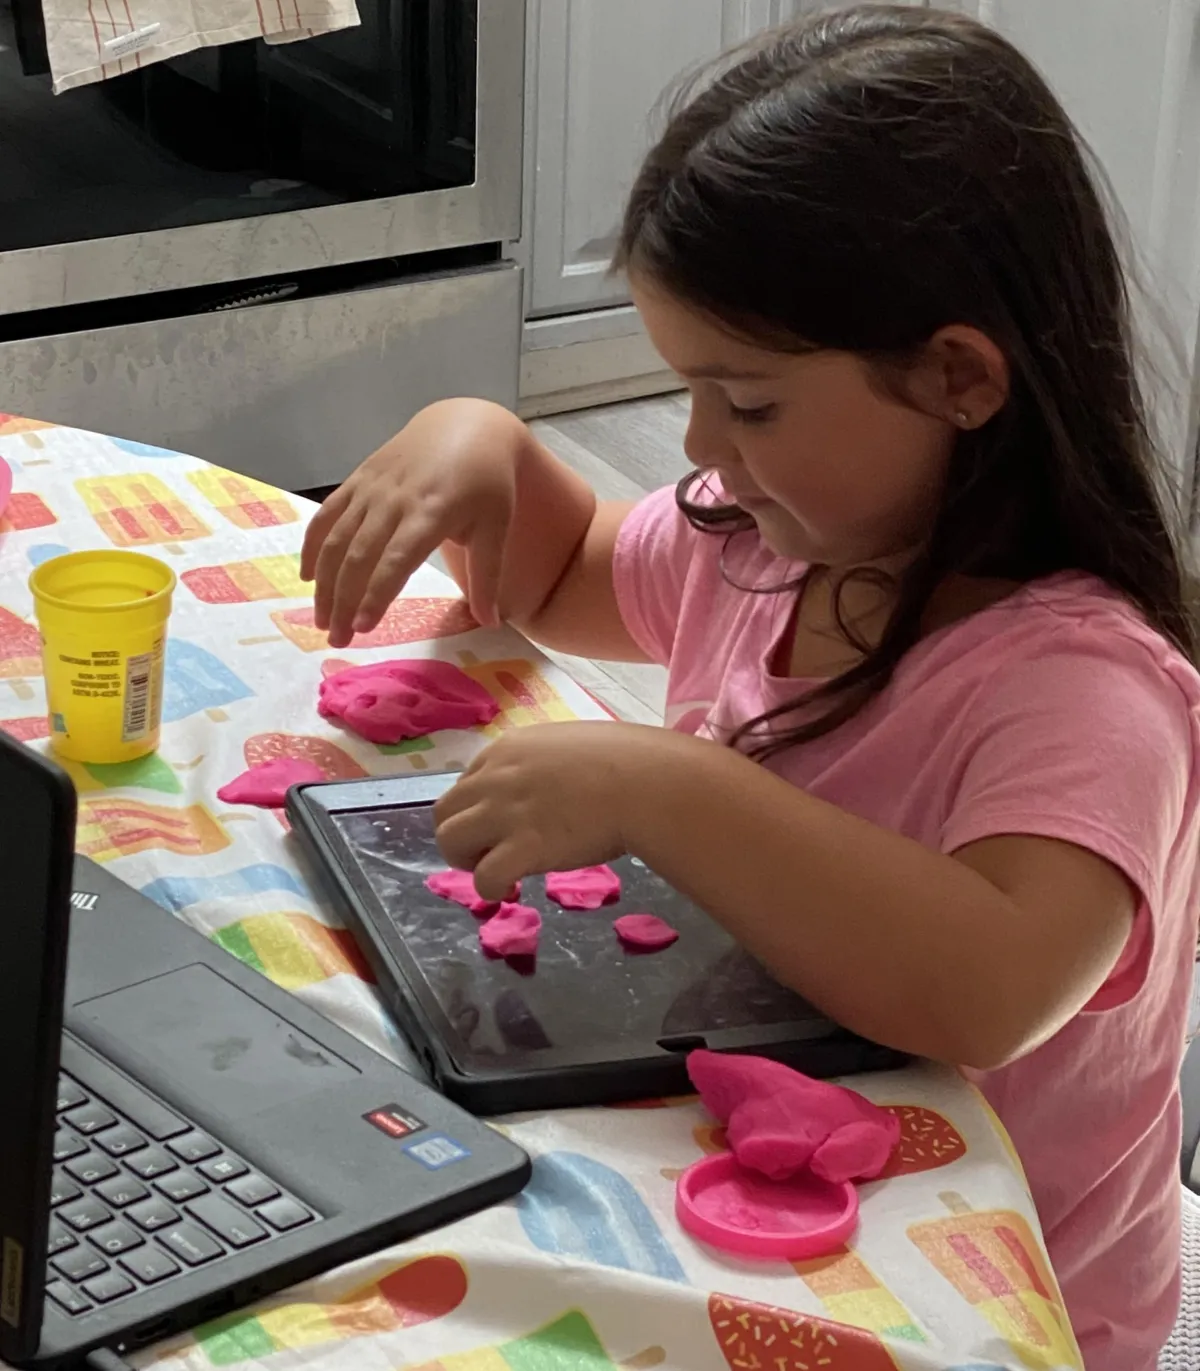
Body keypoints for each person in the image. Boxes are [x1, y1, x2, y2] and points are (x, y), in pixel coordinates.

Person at [301, 7, 1200, 1365]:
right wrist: (477, 441)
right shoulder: (772, 543)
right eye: (688, 392)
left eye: (751, 402)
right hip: (752, 1206)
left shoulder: (1087, 689)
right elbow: (563, 574)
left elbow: (987, 986)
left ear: (958, 378)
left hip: (978, 1307)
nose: (701, 444)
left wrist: (672, 788)